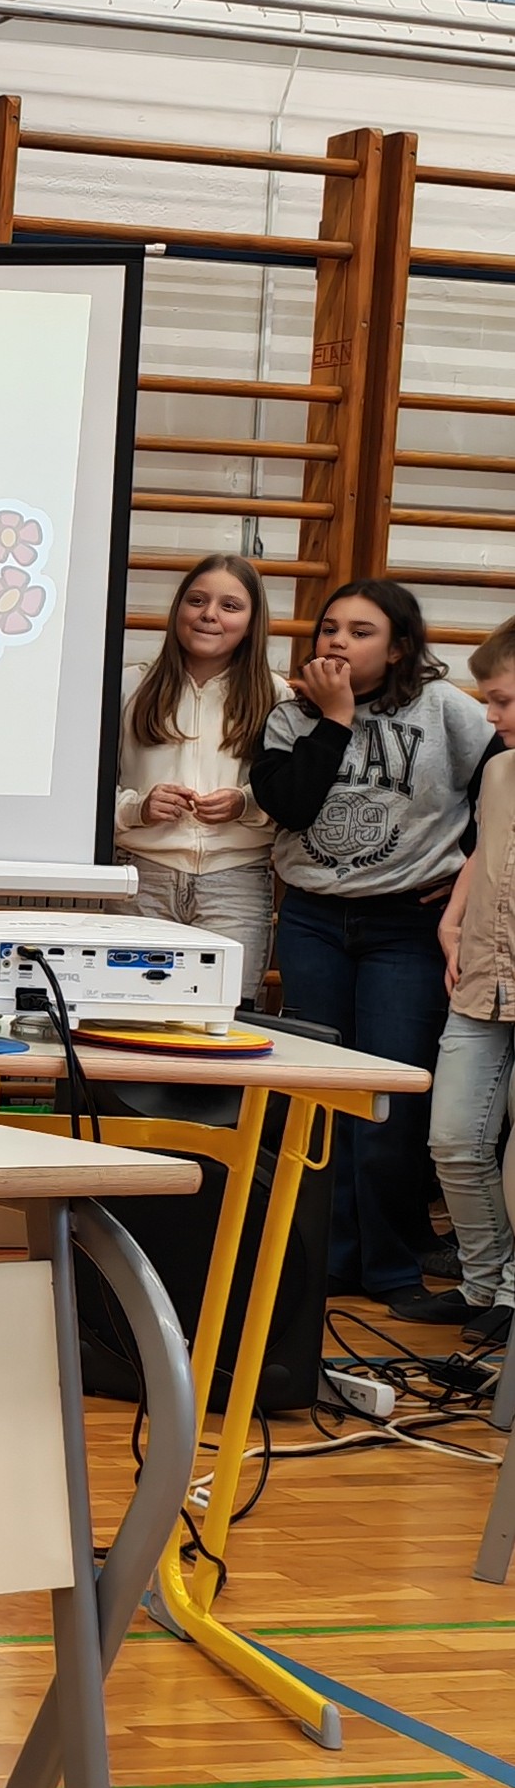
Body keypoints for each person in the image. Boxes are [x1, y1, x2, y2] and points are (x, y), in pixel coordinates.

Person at [255, 576, 494, 1318]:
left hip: (405, 926)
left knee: (390, 1097)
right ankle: (325, 1259)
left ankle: (391, 1264)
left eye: (360, 632)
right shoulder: (291, 715)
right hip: (314, 920)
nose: (338, 641)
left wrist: (464, 876)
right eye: (330, 627)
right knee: (321, 1091)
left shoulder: (447, 710)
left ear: (397, 649)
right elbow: (291, 805)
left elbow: (503, 789)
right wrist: (333, 717)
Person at [116, 552, 279, 993]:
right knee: (129, 1008)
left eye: (230, 606)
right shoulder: (130, 687)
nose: (209, 615)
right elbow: (88, 792)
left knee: (226, 1012)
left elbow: (290, 797)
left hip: (237, 881)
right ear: (178, 610)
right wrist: (137, 809)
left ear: (252, 621)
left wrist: (244, 803)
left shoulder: (276, 696)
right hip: (141, 877)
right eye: (197, 600)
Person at [430, 618, 515, 1346]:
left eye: (503, 700)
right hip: (484, 972)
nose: (490, 716)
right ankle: (480, 1281)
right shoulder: (498, 770)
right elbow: (486, 851)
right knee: (454, 1138)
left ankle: (512, 1297)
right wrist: (454, 918)